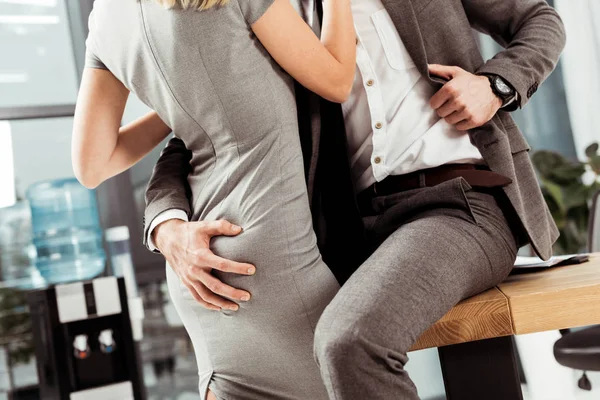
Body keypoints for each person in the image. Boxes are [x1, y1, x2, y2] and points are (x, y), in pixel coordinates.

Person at [147, 0, 566, 398]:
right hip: (347, 233)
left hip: (460, 204)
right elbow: (196, 132)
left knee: (349, 342)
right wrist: (166, 223)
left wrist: (494, 86)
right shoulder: (272, 14)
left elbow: (540, 21)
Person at [71, 0, 358, 398]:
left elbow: (91, 164)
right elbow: (338, 79)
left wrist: (177, 101)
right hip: (275, 258)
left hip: (199, 271)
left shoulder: (105, 15)